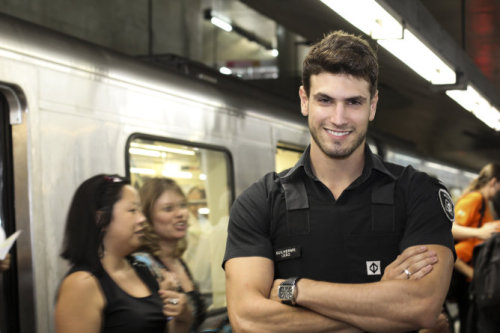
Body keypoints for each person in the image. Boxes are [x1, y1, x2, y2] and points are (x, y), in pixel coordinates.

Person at [223, 30, 455, 333]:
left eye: (354, 102)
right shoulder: (260, 202)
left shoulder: (418, 193)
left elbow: (420, 307)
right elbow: (247, 320)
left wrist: (296, 290)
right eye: (325, 100)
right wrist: (380, 311)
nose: (339, 117)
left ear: (372, 106)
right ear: (305, 101)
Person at [55, 174, 192, 333]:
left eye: (140, 210)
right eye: (132, 210)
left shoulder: (141, 269)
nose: (142, 218)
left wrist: (180, 311)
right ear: (101, 219)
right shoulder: (82, 284)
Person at [134, 177, 206, 332]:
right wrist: (173, 300)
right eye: (168, 209)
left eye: (182, 205)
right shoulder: (143, 265)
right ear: (147, 217)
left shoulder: (177, 261)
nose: (181, 214)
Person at [450, 163, 500, 333]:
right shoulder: (475, 199)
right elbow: (449, 229)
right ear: (494, 182)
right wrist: (478, 232)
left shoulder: (485, 203)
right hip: (466, 273)